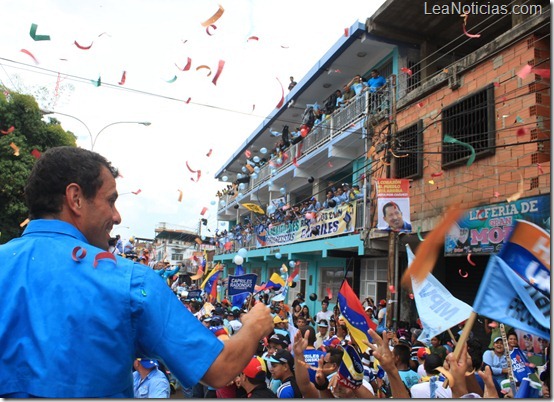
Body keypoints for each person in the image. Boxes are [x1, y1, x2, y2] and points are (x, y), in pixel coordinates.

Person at [0, 147, 274, 398]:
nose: (117, 216)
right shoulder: (130, 281)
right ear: (75, 199)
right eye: (110, 200)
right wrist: (254, 326)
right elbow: (219, 370)